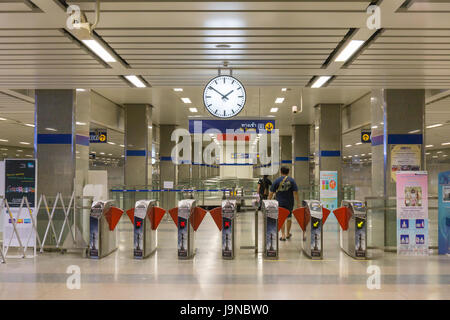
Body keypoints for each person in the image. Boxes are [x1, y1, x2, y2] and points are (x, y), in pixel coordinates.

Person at [268, 166, 300, 241]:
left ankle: (283, 235)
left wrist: (268, 201)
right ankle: (288, 233)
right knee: (289, 218)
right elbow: (295, 193)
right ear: (288, 172)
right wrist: (298, 202)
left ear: (280, 172)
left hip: (280, 202)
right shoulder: (292, 180)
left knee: (281, 218)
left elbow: (271, 192)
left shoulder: (277, 180)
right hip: (289, 202)